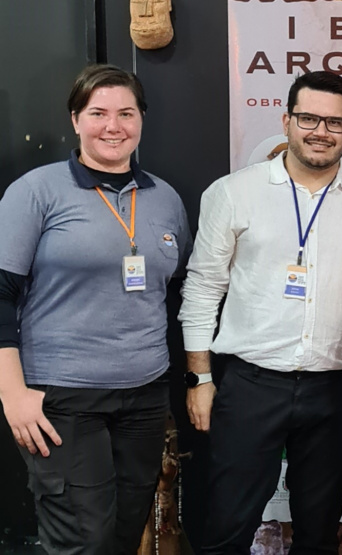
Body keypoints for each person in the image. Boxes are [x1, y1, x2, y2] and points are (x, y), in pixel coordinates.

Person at [178, 71, 342, 554]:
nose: (320, 131)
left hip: (333, 389)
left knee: (319, 533)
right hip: (249, 385)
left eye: (334, 122)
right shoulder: (233, 193)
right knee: (228, 526)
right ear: (287, 121)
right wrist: (200, 378)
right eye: (308, 118)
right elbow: (201, 290)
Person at [0, 64, 191, 553]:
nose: (113, 126)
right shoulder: (36, 192)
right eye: (98, 113)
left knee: (126, 535)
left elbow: (172, 291)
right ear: (75, 120)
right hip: (63, 398)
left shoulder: (165, 199)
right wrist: (12, 394)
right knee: (85, 541)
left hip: (145, 397)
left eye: (126, 113)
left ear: (142, 120)